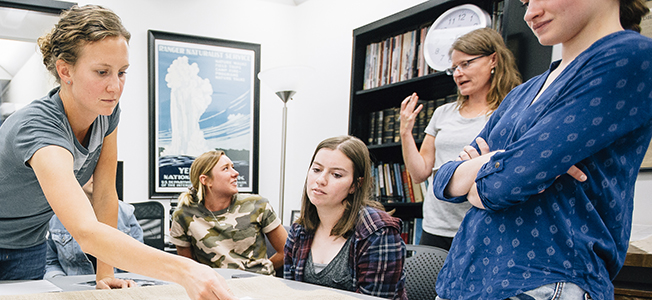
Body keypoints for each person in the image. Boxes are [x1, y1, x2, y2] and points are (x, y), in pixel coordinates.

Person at [0, 5, 234, 299]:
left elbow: (105, 193)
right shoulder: (38, 126)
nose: (115, 87)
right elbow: (84, 230)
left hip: (28, 240)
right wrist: (186, 271)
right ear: (65, 70)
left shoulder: (107, 114)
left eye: (122, 72)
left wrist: (106, 273)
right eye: (102, 72)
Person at [432, 0, 652, 299]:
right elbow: (444, 182)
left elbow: (499, 186)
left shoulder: (630, 56)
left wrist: (487, 170)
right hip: (465, 278)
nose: (529, 13)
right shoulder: (521, 92)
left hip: (542, 280)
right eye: (524, 2)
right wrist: (504, 160)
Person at [397, 28, 522, 251]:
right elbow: (419, 173)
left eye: (466, 64)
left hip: (481, 226)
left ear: (493, 60)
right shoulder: (442, 113)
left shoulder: (510, 113)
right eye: (454, 68)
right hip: (435, 227)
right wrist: (405, 132)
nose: (458, 73)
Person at [282, 136, 407, 300]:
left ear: (355, 185)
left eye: (336, 175)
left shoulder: (378, 232)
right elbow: (288, 292)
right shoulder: (299, 230)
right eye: (317, 170)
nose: (320, 180)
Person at [168, 151, 287, 276]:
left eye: (233, 167)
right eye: (225, 169)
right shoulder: (183, 215)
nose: (235, 173)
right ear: (206, 180)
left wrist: (261, 272)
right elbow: (189, 267)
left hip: (258, 285)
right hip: (215, 288)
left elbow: (286, 251)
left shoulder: (258, 205)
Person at [45, 180, 143, 279]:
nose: (96, 175)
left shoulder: (126, 212)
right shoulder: (57, 215)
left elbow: (139, 260)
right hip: (73, 288)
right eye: (91, 170)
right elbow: (50, 262)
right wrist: (62, 282)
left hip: (118, 285)